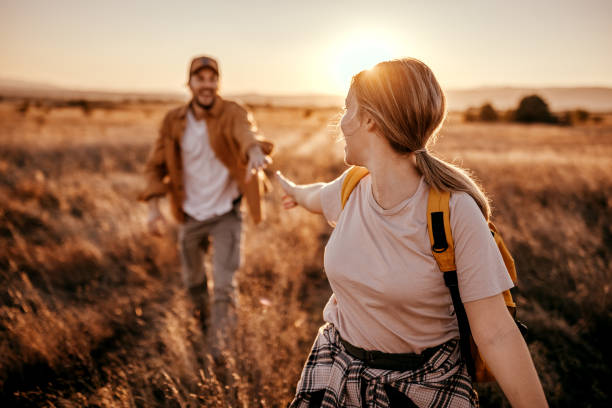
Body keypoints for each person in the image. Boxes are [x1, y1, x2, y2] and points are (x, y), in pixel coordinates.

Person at [277, 58, 547, 407]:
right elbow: (314, 195)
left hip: (422, 388)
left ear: (370, 119)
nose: (341, 123)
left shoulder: (454, 211)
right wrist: (292, 190)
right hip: (337, 372)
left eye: (347, 109)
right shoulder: (352, 187)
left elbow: (496, 333)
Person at [139, 55, 273, 361]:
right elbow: (155, 166)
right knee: (194, 283)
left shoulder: (232, 112)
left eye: (212, 79)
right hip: (189, 214)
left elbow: (246, 132)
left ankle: (219, 353)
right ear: (190, 84)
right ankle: (202, 330)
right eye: (200, 79)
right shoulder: (173, 121)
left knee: (225, 286)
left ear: (218, 83)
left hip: (226, 212)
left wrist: (253, 151)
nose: (207, 85)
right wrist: (153, 209)